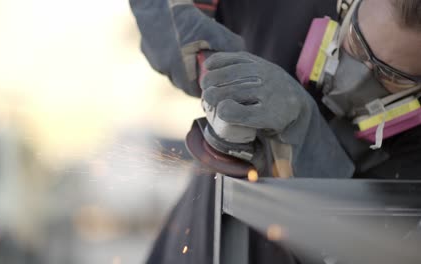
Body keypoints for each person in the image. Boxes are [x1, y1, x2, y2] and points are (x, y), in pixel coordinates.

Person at [129, 0, 421, 263]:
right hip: (187, 247)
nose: (357, 77)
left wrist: (306, 136)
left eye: (392, 76)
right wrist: (178, 20)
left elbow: (360, 252)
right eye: (356, 44)